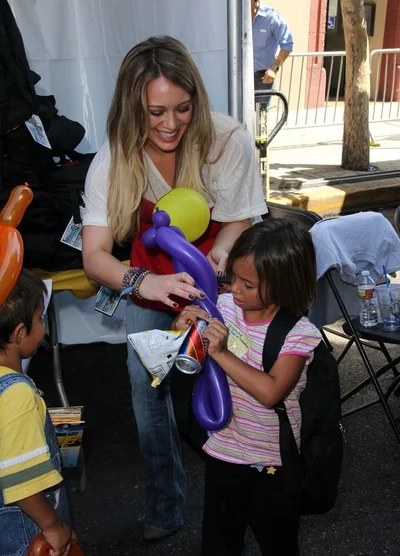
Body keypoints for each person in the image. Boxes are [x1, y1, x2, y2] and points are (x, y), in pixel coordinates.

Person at [82, 35, 267, 541]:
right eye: (154, 112)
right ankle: (166, 502)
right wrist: (149, 282)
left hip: (216, 275)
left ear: (196, 101)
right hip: (150, 281)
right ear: (131, 108)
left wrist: (218, 259)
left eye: (182, 109)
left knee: (242, 383)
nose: (169, 124)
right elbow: (94, 255)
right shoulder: (115, 158)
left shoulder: (227, 140)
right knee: (147, 393)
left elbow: (238, 220)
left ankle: (259, 490)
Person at [173, 218, 321, 555]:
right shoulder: (224, 308)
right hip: (224, 452)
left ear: (284, 285)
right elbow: (193, 360)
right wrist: (184, 328)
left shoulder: (297, 335)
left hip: (271, 463)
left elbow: (271, 392)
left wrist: (222, 353)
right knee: (219, 542)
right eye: (233, 278)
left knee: (278, 543)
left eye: (248, 284)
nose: (235, 289)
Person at [0, 269, 76, 556]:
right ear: (20, 333)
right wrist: (54, 526)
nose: (43, 324)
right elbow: (22, 480)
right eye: (40, 318)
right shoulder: (16, 395)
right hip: (25, 536)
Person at [250, 0, 294, 109]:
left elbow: (287, 44)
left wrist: (274, 68)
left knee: (260, 121)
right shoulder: (237, 17)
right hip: (239, 78)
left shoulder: (272, 17)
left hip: (261, 79)